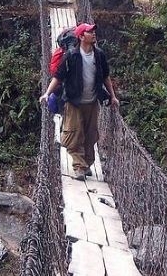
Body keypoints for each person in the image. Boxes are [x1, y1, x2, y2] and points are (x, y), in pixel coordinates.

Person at [39, 23, 119, 180]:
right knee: (74, 134)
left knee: (91, 135)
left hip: (93, 101)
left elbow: (105, 77)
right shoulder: (71, 56)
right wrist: (47, 93)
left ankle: (86, 163)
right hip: (73, 101)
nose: (94, 34)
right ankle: (79, 167)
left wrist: (113, 96)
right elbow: (58, 77)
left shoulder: (99, 55)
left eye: (93, 31)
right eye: (90, 32)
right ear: (81, 37)